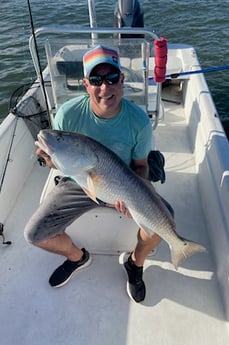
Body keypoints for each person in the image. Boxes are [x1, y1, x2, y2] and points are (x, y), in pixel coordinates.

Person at [24, 45, 174, 303]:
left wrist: (132, 196)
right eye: (96, 80)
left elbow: (140, 166)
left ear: (122, 79)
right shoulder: (67, 114)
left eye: (112, 78)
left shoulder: (138, 120)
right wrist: (52, 162)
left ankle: (135, 264)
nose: (105, 88)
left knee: (164, 219)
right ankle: (77, 257)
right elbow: (64, 161)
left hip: (123, 181)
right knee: (34, 234)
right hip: (77, 181)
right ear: (85, 84)